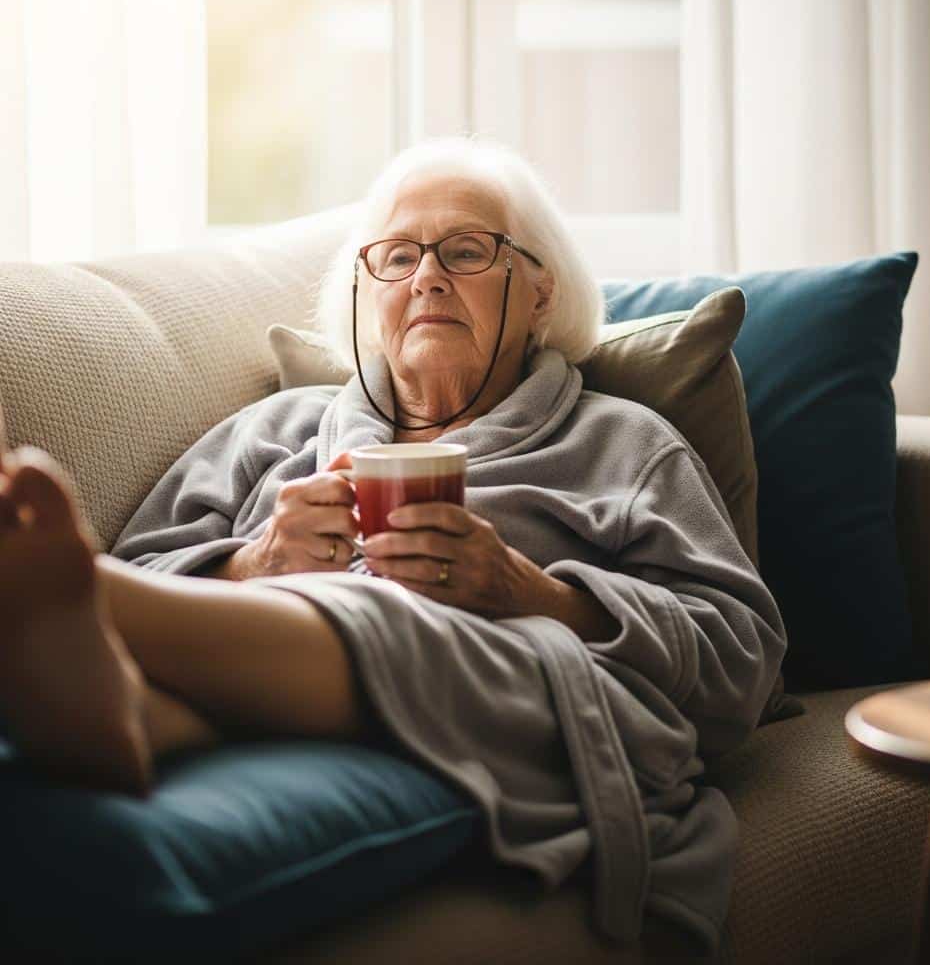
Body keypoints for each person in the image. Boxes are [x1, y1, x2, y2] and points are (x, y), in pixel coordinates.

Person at [0, 135, 786, 947]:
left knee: (390, 613)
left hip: (527, 695)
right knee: (218, 616)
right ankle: (135, 716)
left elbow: (745, 661)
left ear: (542, 294)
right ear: (367, 293)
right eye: (398, 256)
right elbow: (143, 568)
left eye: (467, 251)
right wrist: (252, 563)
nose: (427, 276)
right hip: (291, 695)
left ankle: (85, 602)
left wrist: (530, 593)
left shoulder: (624, 445)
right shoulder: (270, 435)